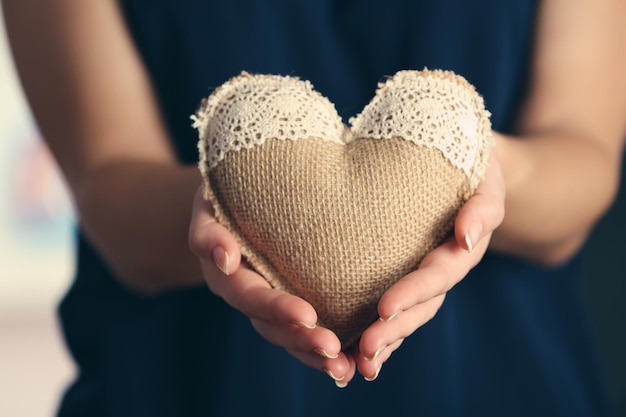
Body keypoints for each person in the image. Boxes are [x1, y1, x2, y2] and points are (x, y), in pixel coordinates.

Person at [4, 0, 625, 416]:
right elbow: (107, 183)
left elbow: (583, 154)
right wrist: (227, 204)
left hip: (506, 386)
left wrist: (478, 172)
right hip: (184, 386)